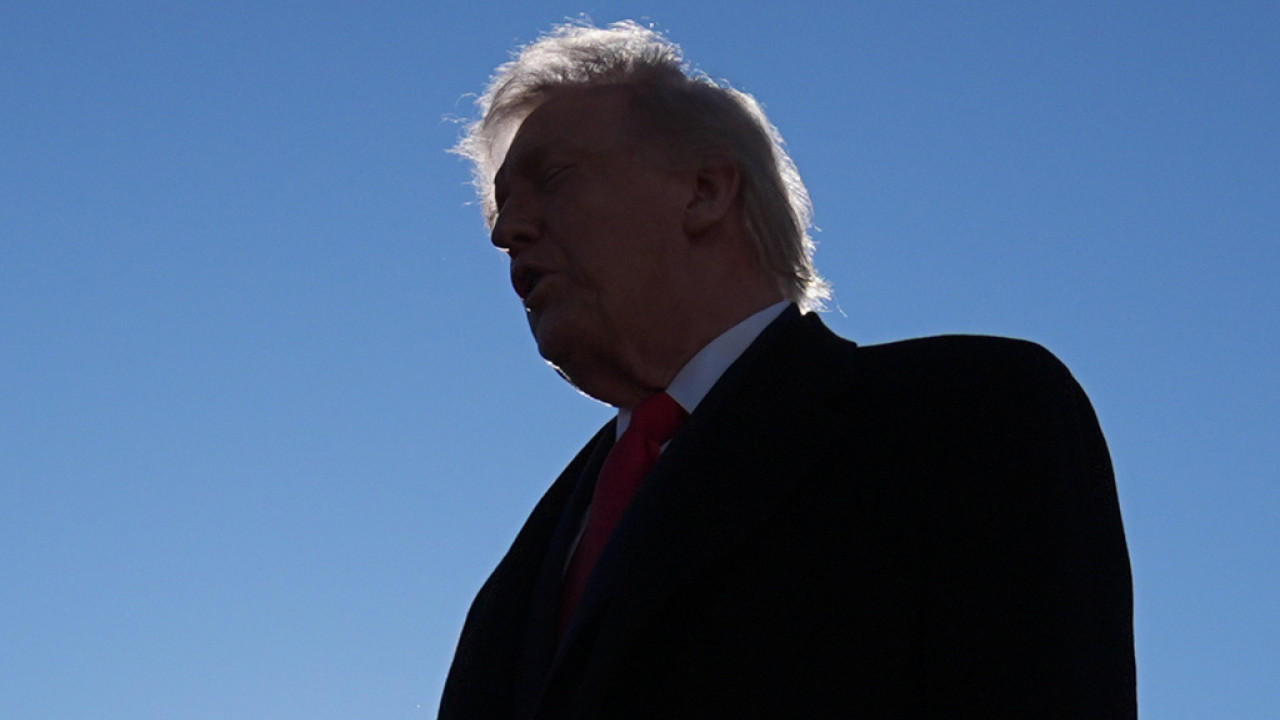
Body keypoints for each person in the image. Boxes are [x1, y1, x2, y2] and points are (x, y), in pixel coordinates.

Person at [439, 20, 1136, 720]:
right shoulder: (520, 578)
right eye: (503, 205)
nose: (506, 232)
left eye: (553, 178)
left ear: (705, 190)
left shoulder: (974, 420)